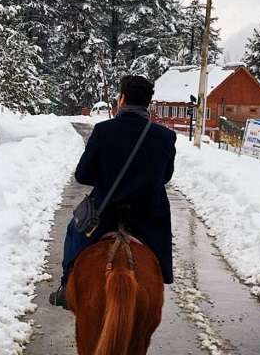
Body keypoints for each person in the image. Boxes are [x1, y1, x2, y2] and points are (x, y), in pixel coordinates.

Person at [50, 76, 177, 308]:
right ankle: (165, 273)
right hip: (147, 214)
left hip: (105, 212)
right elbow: (166, 177)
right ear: (148, 103)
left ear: (122, 99)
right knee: (162, 237)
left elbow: (82, 175)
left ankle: (66, 285)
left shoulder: (103, 130)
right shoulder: (166, 137)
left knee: (73, 230)